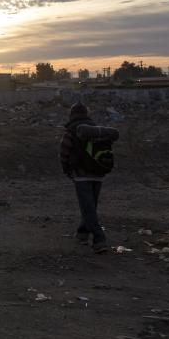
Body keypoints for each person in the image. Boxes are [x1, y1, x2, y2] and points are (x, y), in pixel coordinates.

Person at [59, 102, 119, 253]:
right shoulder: (97, 130)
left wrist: (66, 169)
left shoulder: (71, 130)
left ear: (71, 114)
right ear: (87, 113)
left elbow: (64, 152)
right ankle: (82, 233)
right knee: (90, 206)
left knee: (88, 208)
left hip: (81, 175)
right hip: (98, 173)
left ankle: (99, 240)